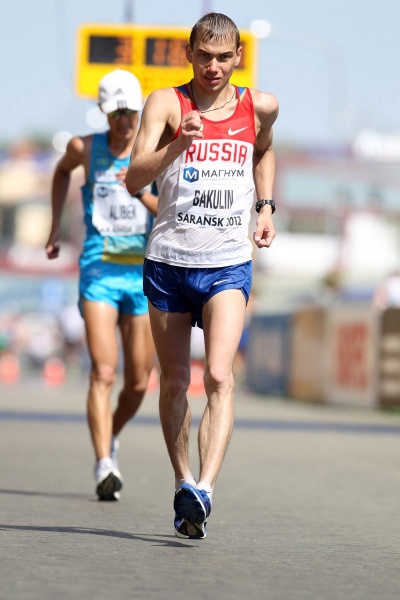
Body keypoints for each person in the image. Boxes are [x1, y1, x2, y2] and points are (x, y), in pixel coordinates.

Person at [125, 12, 279, 538]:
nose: (214, 67)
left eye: (224, 57)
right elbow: (133, 179)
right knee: (173, 381)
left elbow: (263, 149)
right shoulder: (167, 104)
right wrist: (177, 145)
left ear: (238, 57)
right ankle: (183, 480)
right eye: (204, 56)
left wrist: (265, 207)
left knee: (217, 376)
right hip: (169, 261)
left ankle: (205, 490)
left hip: (226, 262)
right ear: (188, 54)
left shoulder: (260, 106)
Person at [45, 69, 157, 501]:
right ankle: (104, 464)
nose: (124, 121)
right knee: (104, 371)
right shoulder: (84, 148)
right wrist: (55, 225)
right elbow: (61, 173)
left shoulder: (153, 150)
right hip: (99, 271)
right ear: (103, 112)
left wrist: (141, 192)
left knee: (138, 382)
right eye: (115, 114)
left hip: (141, 274)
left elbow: (168, 202)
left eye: (130, 113)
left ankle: (110, 434)